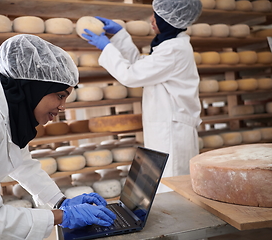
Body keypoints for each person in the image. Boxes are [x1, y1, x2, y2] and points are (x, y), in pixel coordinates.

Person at [0, 34, 115, 240]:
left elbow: (20, 162)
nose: (62, 107)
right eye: (60, 95)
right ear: (33, 87)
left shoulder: (6, 105)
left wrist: (59, 201)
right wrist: (63, 216)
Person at [82, 0, 203, 192]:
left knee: (172, 190)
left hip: (173, 132)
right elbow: (140, 66)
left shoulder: (174, 50)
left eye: (157, 15)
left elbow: (131, 75)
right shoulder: (168, 46)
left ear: (169, 20)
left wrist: (106, 47)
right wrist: (120, 35)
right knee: (163, 187)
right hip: (165, 127)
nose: (151, 19)